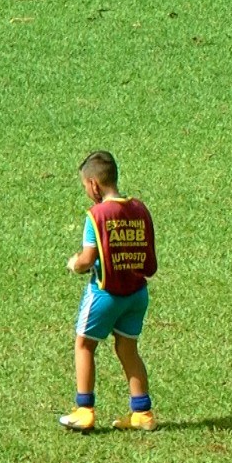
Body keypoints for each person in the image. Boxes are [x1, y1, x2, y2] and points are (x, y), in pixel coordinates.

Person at [60, 151, 158, 432]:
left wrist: (75, 264)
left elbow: (88, 259)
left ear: (93, 184)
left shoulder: (97, 216)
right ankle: (143, 413)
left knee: (84, 345)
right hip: (137, 294)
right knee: (128, 348)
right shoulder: (140, 209)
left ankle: (84, 409)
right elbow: (150, 262)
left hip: (105, 293)